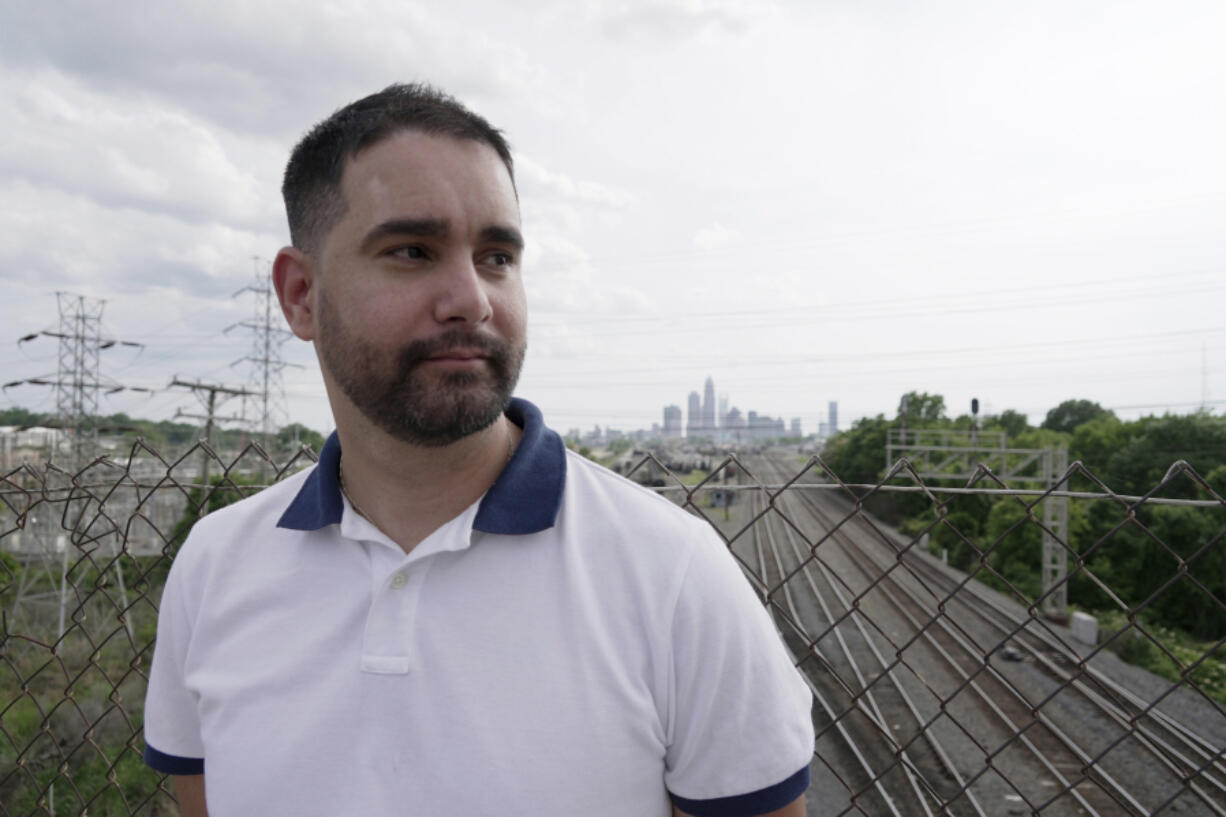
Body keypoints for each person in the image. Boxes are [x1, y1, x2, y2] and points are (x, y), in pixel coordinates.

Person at [142, 83, 814, 817]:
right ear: (301, 294)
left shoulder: (675, 576)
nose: (471, 297)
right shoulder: (214, 567)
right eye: (411, 250)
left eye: (497, 256)